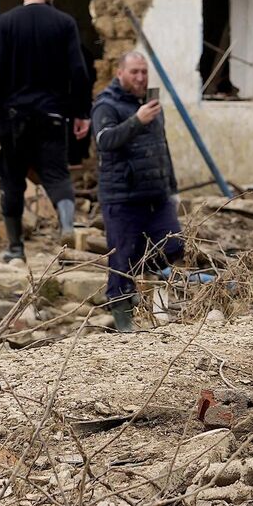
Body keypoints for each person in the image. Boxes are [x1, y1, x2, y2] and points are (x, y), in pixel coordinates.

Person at [0, 0, 91, 262]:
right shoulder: (64, 23)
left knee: (11, 179)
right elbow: (78, 71)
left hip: (13, 119)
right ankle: (66, 225)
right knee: (56, 174)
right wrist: (81, 113)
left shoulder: (5, 23)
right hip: (52, 116)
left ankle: (15, 249)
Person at [89, 49, 183, 332]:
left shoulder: (152, 105)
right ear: (120, 74)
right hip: (122, 197)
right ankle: (125, 326)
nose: (141, 77)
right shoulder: (106, 104)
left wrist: (173, 188)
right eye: (134, 72)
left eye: (144, 72)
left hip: (157, 196)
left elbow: (161, 147)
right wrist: (136, 121)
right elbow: (104, 140)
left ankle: (151, 296)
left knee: (174, 246)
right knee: (121, 261)